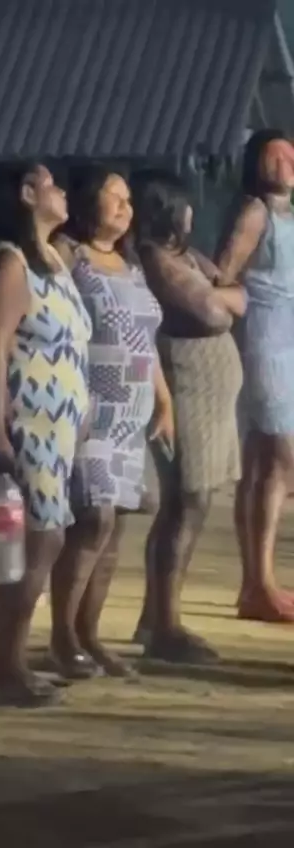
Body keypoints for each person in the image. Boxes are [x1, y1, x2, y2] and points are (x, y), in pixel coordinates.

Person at [0, 160, 91, 707]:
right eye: (51, 184)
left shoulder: (52, 260)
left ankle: (8, 664)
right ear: (26, 194)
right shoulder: (8, 263)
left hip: (51, 426)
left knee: (40, 538)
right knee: (35, 538)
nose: (62, 192)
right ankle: (2, 669)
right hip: (20, 419)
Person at [49, 163, 170, 679]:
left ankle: (90, 634)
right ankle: (62, 636)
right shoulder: (66, 254)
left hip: (132, 415)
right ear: (85, 202)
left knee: (116, 526)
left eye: (128, 199)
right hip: (90, 409)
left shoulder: (130, 262)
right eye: (113, 196)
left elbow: (145, 341)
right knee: (92, 518)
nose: (125, 206)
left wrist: (164, 401)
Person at [131, 171, 245, 662]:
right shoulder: (156, 259)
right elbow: (214, 311)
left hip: (211, 389)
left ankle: (156, 615)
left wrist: (223, 295)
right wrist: (222, 296)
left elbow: (235, 294)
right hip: (186, 384)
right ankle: (165, 624)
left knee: (193, 501)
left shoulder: (184, 255)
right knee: (186, 500)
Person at [215, 132, 294, 623]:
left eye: (291, 152)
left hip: (289, 338)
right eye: (274, 154)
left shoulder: (288, 216)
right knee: (280, 456)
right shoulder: (255, 212)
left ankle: (256, 583)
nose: (285, 161)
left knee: (264, 463)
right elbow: (223, 273)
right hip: (264, 337)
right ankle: (259, 583)